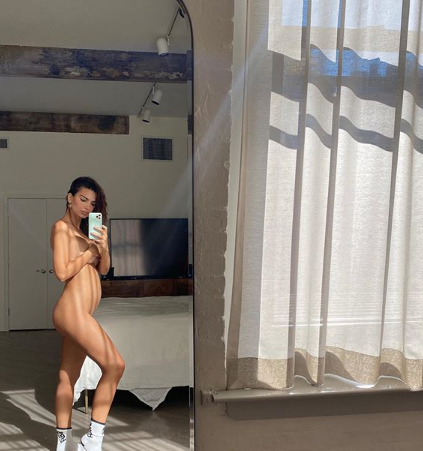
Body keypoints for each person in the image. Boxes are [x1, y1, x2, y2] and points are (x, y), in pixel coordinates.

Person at [51, 176, 125, 451]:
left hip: (81, 313)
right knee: (115, 365)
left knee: (67, 377)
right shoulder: (61, 229)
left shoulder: (85, 233)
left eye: (92, 203)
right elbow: (61, 272)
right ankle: (92, 440)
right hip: (71, 310)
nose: (87, 206)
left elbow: (103, 270)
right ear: (69, 197)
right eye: (82, 199)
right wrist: (88, 253)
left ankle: (63, 445)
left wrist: (102, 248)